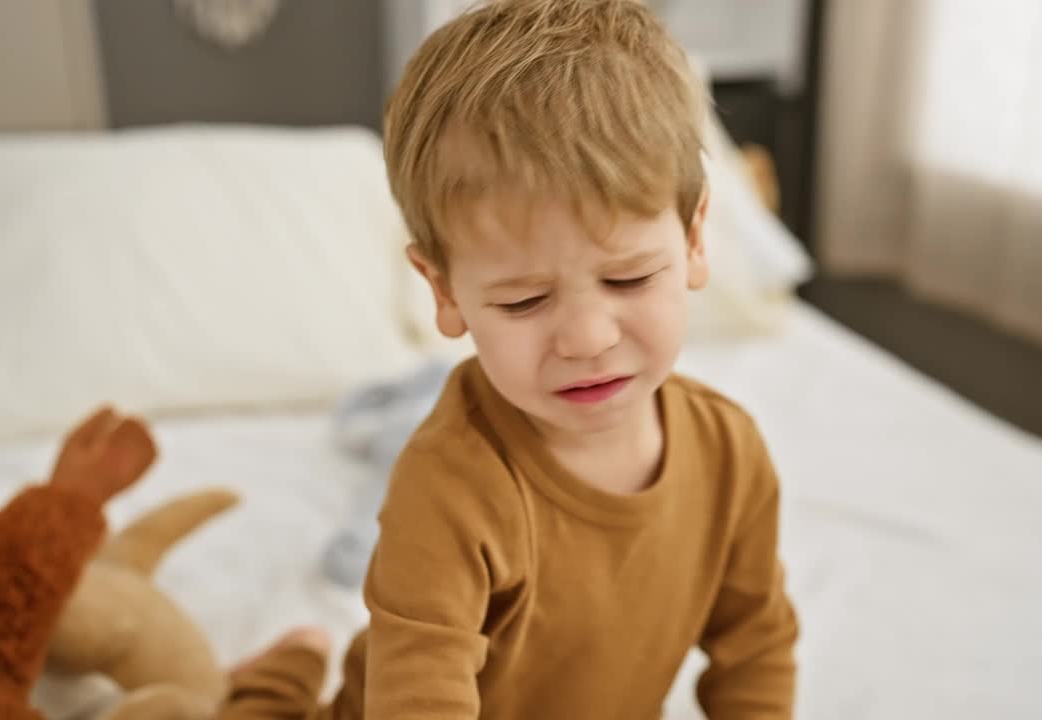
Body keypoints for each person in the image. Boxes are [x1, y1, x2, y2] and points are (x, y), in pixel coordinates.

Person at [219, 1, 798, 718]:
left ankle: (297, 655)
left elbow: (757, 649)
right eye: (524, 301)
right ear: (445, 289)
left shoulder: (729, 453)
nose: (586, 338)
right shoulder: (450, 488)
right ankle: (281, 674)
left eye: (627, 278)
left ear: (695, 240)